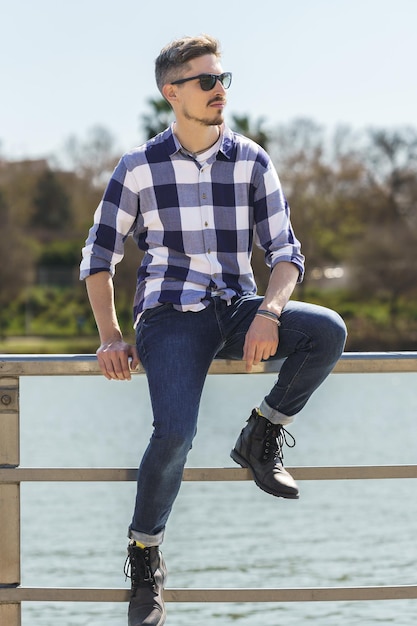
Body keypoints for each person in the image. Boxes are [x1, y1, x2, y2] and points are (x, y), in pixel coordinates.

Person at [80, 34, 347, 626]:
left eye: (224, 79)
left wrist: (270, 312)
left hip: (238, 307)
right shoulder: (138, 168)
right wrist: (108, 335)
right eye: (206, 81)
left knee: (326, 330)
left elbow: (286, 253)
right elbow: (99, 258)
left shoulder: (252, 160)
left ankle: (261, 434)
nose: (219, 89)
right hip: (169, 314)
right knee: (175, 431)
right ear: (171, 93)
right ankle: (145, 553)